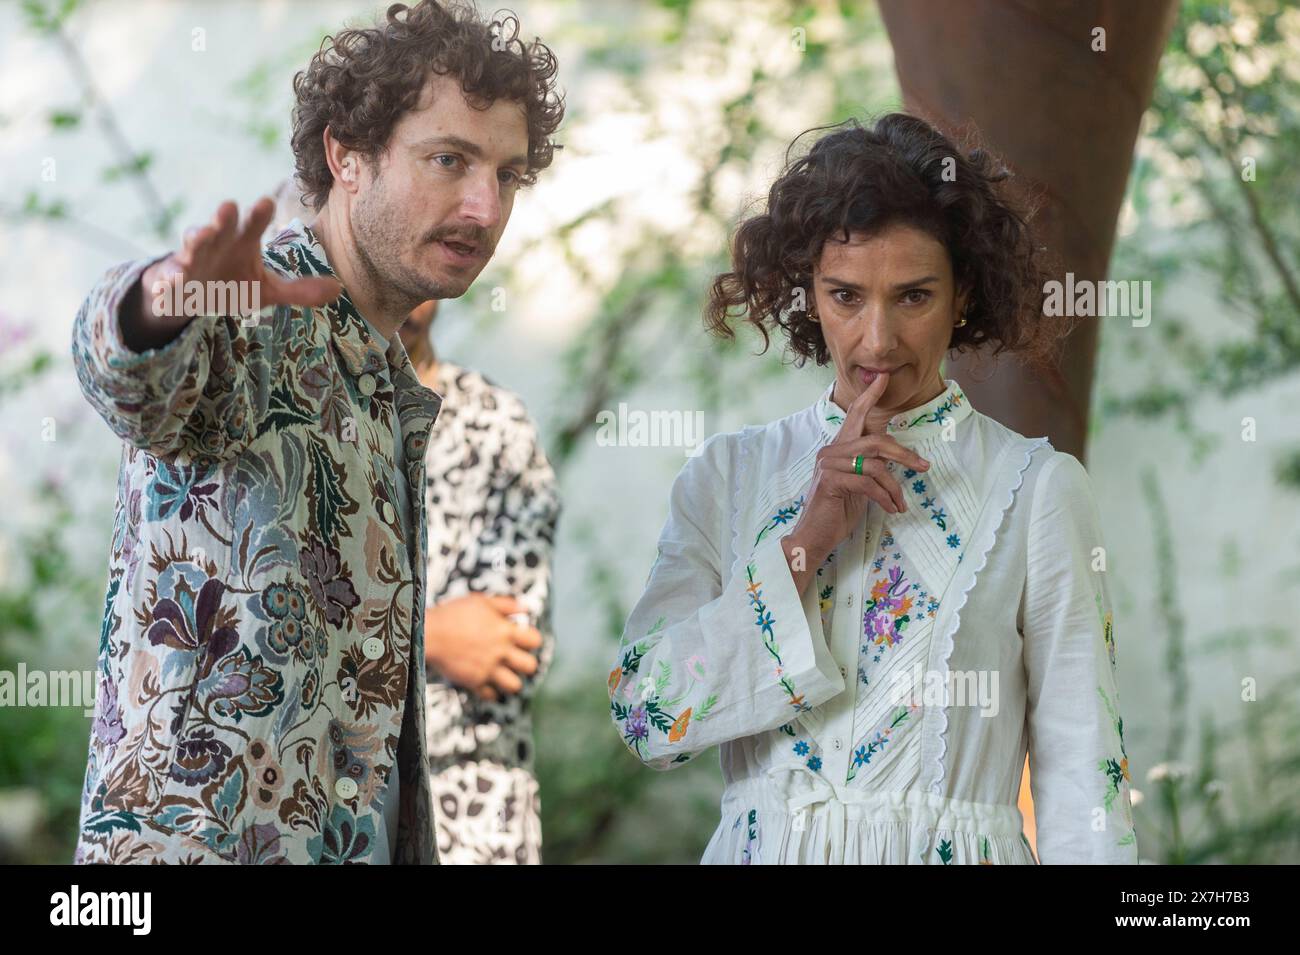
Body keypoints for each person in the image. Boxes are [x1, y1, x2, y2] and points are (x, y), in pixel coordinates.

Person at [71, 0, 564, 864]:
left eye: (508, 175)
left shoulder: (388, 371)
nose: (484, 207)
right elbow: (129, 372)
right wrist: (169, 296)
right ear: (346, 156)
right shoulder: (259, 304)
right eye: (448, 160)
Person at [607, 113, 1137, 864]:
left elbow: (1087, 773)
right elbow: (646, 716)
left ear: (963, 297)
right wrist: (804, 542)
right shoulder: (729, 477)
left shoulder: (1037, 490)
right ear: (809, 295)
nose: (877, 340)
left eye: (914, 297)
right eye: (846, 296)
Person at [399, 301, 560, 864]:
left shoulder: (495, 425)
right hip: (321, 814)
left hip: (473, 819)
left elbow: (507, 656)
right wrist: (432, 639)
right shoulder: (302, 413)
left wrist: (353, 655)